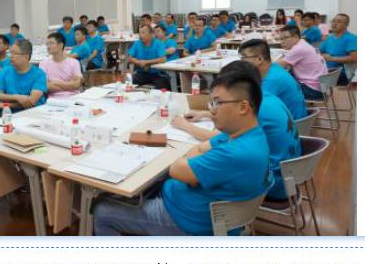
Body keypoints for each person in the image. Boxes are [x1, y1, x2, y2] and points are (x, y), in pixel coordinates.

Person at [93, 69, 271, 235]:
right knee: (150, 181)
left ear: (243, 107)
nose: (212, 110)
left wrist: (187, 165)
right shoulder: (247, 134)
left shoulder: (236, 153)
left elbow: (176, 169)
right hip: (192, 204)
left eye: (218, 103)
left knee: (103, 211)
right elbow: (199, 148)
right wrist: (190, 167)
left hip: (187, 220)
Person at [172, 60, 301, 200]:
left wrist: (185, 126)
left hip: (275, 181)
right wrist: (205, 114)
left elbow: (210, 138)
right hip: (285, 172)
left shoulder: (252, 122)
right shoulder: (265, 99)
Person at [239, 39, 307, 119]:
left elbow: (257, 110)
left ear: (260, 59)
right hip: (290, 120)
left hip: (290, 124)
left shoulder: (271, 80)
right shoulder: (274, 68)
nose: (241, 61)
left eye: (244, 57)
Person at [276, 25, 328, 100]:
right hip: (321, 86)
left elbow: (275, 65)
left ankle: (289, 107)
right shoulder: (302, 43)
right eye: (281, 39)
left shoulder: (298, 49)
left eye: (285, 38)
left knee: (278, 84)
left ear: (296, 37)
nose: (282, 41)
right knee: (286, 76)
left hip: (313, 90)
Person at [0, 39, 47, 111]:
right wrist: (17, 97)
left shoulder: (39, 74)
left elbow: (31, 102)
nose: (11, 56)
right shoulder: (5, 71)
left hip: (34, 112)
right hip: (9, 113)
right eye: (10, 53)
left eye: (15, 53)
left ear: (26, 56)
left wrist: (5, 104)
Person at [39, 32, 83, 98]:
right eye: (47, 44)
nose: (48, 46)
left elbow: (77, 84)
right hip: (54, 99)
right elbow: (46, 87)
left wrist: (54, 83)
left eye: (51, 43)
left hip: (74, 97)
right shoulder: (43, 64)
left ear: (61, 45)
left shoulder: (74, 62)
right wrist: (70, 84)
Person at [127, 24, 170, 89]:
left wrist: (146, 62)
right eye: (139, 33)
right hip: (141, 73)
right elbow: (130, 58)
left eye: (143, 32)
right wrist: (139, 62)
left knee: (164, 82)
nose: (140, 35)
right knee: (129, 82)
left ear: (151, 34)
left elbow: (163, 59)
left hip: (157, 74)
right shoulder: (137, 43)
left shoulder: (158, 43)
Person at [319, 13, 357, 85]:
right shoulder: (329, 38)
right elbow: (319, 51)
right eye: (333, 21)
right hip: (326, 70)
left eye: (339, 21)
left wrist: (331, 58)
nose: (334, 24)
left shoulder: (351, 38)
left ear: (346, 24)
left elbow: (354, 57)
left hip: (340, 73)